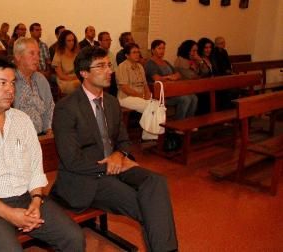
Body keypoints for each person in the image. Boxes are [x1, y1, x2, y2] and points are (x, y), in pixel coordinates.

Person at [0, 55, 85, 252]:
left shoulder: (22, 120)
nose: (10, 90)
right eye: (1, 83)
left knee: (74, 237)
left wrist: (36, 200)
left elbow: (36, 167)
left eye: (12, 83)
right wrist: (11, 215)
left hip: (25, 198)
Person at [52, 46, 178, 252]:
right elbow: (71, 159)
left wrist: (119, 155)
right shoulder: (67, 107)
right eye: (101, 66)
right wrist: (110, 164)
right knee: (147, 206)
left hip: (116, 166)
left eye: (109, 65)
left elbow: (124, 141)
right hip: (85, 178)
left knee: (156, 181)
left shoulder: (111, 102)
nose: (109, 70)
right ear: (84, 73)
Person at [145, 39, 197, 120]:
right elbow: (157, 78)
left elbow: (178, 75)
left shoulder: (166, 62)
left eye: (163, 48)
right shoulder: (150, 63)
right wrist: (169, 77)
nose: (162, 51)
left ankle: (188, 121)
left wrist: (169, 77)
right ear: (152, 50)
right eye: (159, 48)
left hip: (172, 91)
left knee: (193, 97)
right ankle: (178, 124)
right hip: (160, 95)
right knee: (185, 99)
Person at [13, 38, 55, 136]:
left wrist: (49, 130)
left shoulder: (40, 79)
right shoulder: (11, 80)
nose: (37, 58)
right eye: (32, 53)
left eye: (38, 54)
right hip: (19, 138)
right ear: (18, 56)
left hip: (42, 136)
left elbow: (50, 107)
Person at [117, 43, 158, 141]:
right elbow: (125, 88)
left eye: (138, 52)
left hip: (140, 96)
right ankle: (148, 136)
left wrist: (148, 94)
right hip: (125, 98)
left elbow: (145, 84)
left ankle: (151, 135)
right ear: (127, 55)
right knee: (150, 107)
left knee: (157, 105)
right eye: (134, 52)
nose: (137, 55)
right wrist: (142, 96)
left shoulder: (140, 66)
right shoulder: (122, 67)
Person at [52, 30, 80, 95]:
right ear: (63, 42)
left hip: (76, 78)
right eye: (69, 41)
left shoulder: (76, 53)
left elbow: (80, 70)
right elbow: (61, 75)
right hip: (64, 81)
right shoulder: (58, 54)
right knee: (80, 84)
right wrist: (75, 78)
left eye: (73, 40)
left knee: (89, 82)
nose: (72, 43)